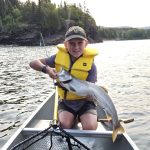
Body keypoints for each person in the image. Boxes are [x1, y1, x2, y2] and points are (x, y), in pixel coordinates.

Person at [29, 26, 98, 130]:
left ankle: (81, 117)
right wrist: (47, 69)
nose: (76, 47)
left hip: (85, 102)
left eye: (80, 43)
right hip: (66, 101)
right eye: (72, 43)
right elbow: (33, 63)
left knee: (90, 127)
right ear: (65, 44)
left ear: (86, 43)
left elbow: (91, 90)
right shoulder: (57, 57)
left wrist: (92, 96)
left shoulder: (91, 66)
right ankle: (73, 118)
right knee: (64, 125)